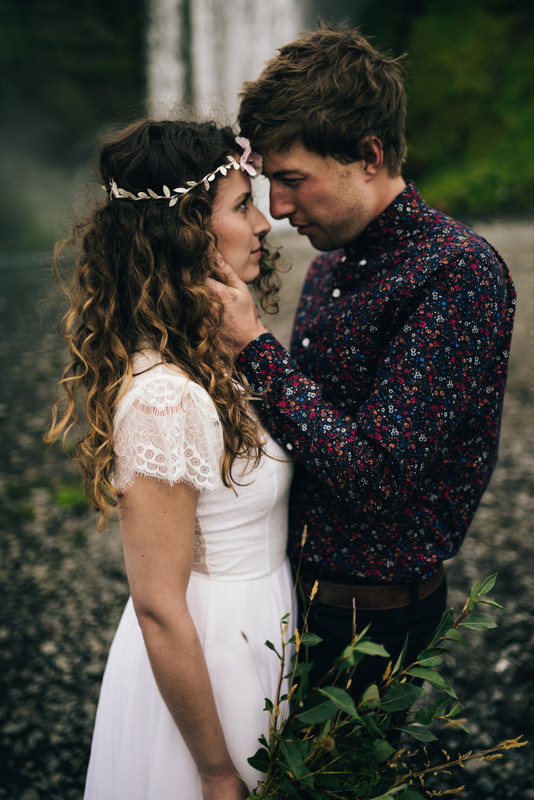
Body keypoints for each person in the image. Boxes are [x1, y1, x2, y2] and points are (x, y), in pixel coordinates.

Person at [207, 26, 516, 697]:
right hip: (296, 595)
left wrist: (256, 349)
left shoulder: (456, 274)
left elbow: (378, 475)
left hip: (374, 624)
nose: (279, 209)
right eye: (267, 186)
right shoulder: (331, 266)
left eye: (292, 181)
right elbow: (304, 431)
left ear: (369, 155)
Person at [45, 119, 296, 800]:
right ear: (186, 231)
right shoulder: (164, 398)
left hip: (263, 634)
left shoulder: (222, 358)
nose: (265, 224)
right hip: (212, 667)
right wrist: (215, 771)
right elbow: (158, 605)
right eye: (243, 205)